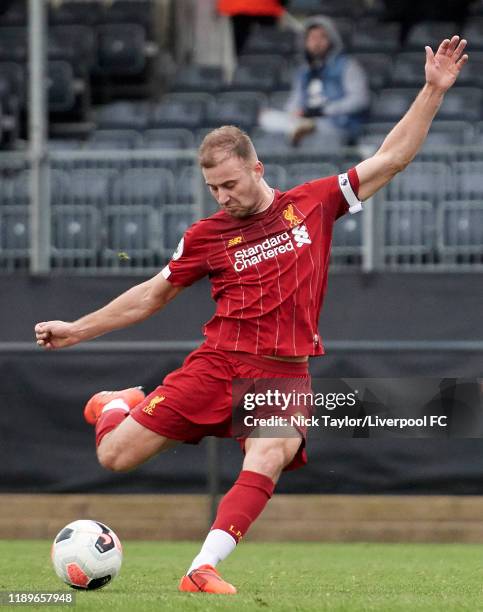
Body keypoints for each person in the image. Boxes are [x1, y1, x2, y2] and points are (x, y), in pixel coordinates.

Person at [35, 35, 468, 595]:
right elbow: (151, 295)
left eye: (230, 184)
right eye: (212, 187)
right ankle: (119, 404)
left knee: (272, 452)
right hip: (217, 364)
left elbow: (393, 157)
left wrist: (433, 90)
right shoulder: (206, 236)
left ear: (257, 168)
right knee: (114, 456)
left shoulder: (312, 204)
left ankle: (201, 568)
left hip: (283, 371)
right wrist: (77, 329)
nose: (221, 196)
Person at [259, 15, 370, 147]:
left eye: (322, 37)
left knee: (316, 126)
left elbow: (359, 99)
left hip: (336, 121)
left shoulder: (347, 66)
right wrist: (295, 111)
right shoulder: (303, 72)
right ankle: (299, 127)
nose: (316, 43)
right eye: (312, 38)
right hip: (306, 119)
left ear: (332, 40)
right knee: (266, 118)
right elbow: (295, 101)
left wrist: (324, 110)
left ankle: (302, 128)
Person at [217, 0, 286, 56]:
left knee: (241, 44)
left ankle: (243, 67)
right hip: (267, 6)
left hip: (238, 5)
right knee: (268, 44)